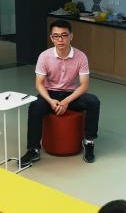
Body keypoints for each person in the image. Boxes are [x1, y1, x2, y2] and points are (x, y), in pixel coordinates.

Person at [20, 20, 100, 165]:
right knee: (35, 105)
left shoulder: (81, 56)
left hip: (71, 94)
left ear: (71, 36)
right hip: (50, 93)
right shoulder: (44, 56)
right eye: (56, 36)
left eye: (64, 35)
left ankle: (89, 142)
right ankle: (33, 149)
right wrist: (50, 101)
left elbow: (84, 86)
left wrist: (67, 101)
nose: (60, 39)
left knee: (93, 101)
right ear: (51, 38)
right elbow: (39, 84)